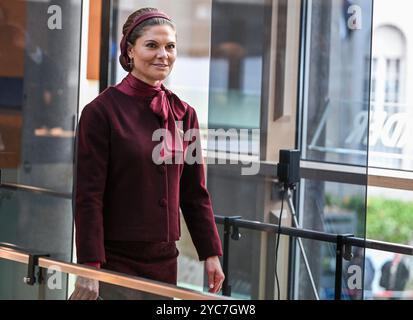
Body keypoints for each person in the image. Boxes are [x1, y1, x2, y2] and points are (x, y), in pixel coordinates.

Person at [71, 7, 224, 300]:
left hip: (165, 261)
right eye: (151, 45)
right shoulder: (100, 112)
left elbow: (195, 193)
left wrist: (211, 253)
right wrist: (89, 266)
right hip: (114, 260)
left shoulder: (184, 114)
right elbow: (88, 197)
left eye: (170, 46)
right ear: (130, 50)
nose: (162, 54)